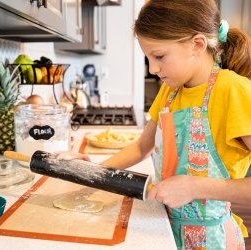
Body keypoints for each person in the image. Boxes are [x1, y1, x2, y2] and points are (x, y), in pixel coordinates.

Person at [57, 0, 251, 248]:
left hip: (212, 240)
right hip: (165, 228)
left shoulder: (233, 91)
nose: (153, 68)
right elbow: (140, 148)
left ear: (198, 44)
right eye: (148, 58)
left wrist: (196, 186)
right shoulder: (169, 93)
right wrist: (93, 173)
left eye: (159, 56)